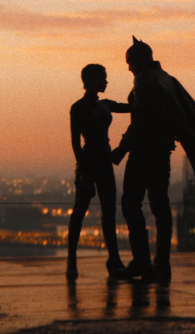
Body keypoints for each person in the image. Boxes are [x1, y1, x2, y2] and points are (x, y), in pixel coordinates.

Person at [111, 36, 195, 282]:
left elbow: (142, 120)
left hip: (144, 151)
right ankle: (162, 263)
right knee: (160, 205)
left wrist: (122, 148)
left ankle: (142, 261)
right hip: (162, 152)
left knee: (131, 203)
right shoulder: (165, 79)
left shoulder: (144, 80)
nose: (128, 67)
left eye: (130, 62)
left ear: (140, 60)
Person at [68, 64, 131, 281]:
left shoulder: (104, 105)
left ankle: (114, 260)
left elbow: (130, 107)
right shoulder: (78, 108)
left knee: (109, 212)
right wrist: (82, 169)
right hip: (90, 161)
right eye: (103, 78)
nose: (106, 82)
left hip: (104, 161)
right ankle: (72, 260)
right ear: (91, 80)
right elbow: (76, 142)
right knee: (80, 211)